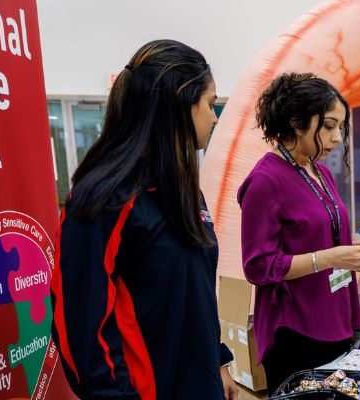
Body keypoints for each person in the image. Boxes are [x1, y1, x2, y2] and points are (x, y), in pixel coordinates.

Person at [50, 40, 239, 399]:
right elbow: (80, 329)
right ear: (182, 100)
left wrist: (218, 360)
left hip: (198, 383)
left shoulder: (182, 188)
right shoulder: (105, 197)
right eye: (211, 103)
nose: (215, 117)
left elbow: (195, 292)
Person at [238, 72, 360, 392]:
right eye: (329, 126)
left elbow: (322, 237)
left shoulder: (318, 171)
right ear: (296, 123)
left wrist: (357, 249)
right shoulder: (265, 180)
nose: (337, 138)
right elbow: (258, 266)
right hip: (296, 329)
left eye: (341, 128)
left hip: (337, 317)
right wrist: (329, 257)